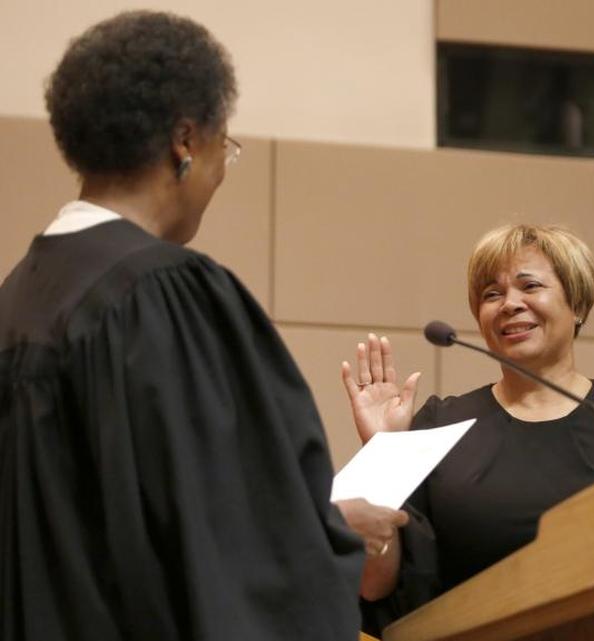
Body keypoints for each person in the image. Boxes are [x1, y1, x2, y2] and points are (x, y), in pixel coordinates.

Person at [0, 12, 404, 640]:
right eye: (225, 146)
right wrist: (325, 534)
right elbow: (231, 555)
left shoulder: (17, 300)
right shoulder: (165, 297)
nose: (221, 169)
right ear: (185, 141)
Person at [342, 223, 594, 630]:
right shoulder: (440, 425)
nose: (510, 304)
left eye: (529, 286)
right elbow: (379, 589)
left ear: (577, 304)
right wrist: (383, 453)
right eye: (492, 294)